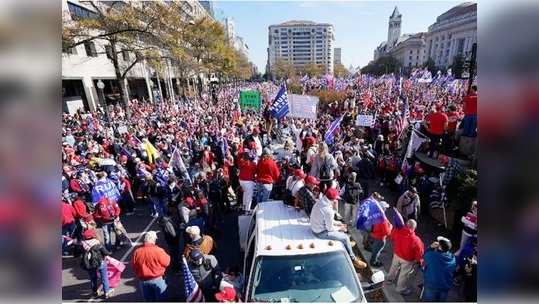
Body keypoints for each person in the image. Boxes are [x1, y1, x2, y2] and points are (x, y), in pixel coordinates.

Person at [310, 188, 367, 269]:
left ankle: (347, 244)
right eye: (336, 199)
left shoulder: (321, 201)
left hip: (316, 227)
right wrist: (340, 228)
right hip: (320, 233)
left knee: (341, 225)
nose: (337, 201)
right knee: (345, 237)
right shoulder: (328, 211)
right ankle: (353, 259)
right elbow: (329, 229)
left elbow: (327, 221)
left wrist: (339, 224)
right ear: (333, 199)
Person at [388, 219, 425, 296]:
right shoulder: (416, 240)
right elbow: (419, 253)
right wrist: (419, 261)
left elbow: (392, 237)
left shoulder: (398, 230)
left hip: (397, 254)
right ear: (414, 228)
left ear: (406, 224)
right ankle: (400, 288)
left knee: (393, 267)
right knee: (403, 274)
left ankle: (389, 280)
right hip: (407, 260)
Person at [131, 231, 170, 302]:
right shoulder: (158, 250)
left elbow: (134, 266)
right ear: (154, 240)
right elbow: (167, 262)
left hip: (143, 280)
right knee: (161, 300)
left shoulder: (137, 252)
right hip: (157, 279)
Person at [80, 228, 113, 299]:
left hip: (89, 264)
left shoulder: (83, 244)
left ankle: (95, 292)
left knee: (93, 278)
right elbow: (106, 253)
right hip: (100, 263)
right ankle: (106, 292)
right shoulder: (97, 243)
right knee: (104, 277)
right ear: (93, 236)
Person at [422, 236, 456, 302]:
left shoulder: (432, 255)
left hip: (432, 285)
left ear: (439, 247)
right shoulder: (453, 258)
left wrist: (431, 247)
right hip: (445, 286)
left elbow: (425, 256)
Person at [369, 201, 392, 267]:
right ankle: (373, 262)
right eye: (385, 208)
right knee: (376, 251)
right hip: (379, 238)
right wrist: (390, 227)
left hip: (373, 235)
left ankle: (373, 259)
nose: (386, 209)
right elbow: (387, 232)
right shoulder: (382, 219)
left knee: (374, 249)